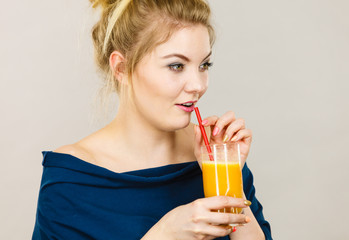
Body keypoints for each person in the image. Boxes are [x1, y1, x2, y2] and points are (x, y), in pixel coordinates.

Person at [32, 0, 272, 239]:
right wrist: (165, 234)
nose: (199, 85)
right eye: (176, 66)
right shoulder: (71, 181)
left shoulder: (218, 156)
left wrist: (231, 184)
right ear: (121, 68)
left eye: (204, 65)